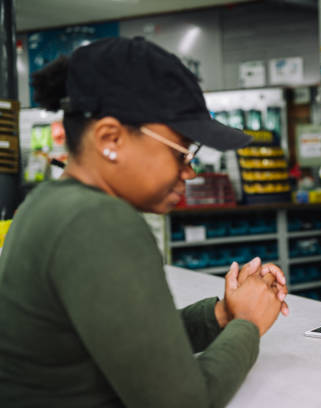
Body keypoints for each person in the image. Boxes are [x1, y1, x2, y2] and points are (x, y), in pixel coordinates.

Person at [0, 37, 289, 407]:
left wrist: (221, 315)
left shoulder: (48, 204)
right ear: (111, 138)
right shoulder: (99, 221)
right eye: (183, 150)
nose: (190, 170)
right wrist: (247, 325)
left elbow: (132, 340)